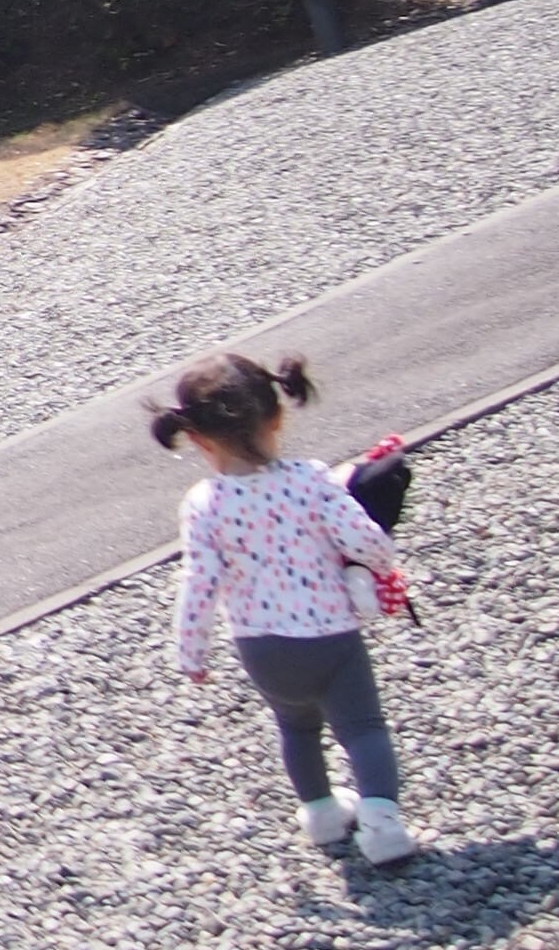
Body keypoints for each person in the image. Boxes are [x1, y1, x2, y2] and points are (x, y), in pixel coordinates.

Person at [153, 351, 420, 868]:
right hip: (331, 637)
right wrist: (381, 562)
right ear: (277, 417)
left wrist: (192, 652)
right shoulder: (310, 481)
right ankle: (382, 827)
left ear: (198, 441)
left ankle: (320, 814)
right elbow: (363, 538)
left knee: (295, 727)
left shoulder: (203, 504)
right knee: (362, 728)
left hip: (261, 646)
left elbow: (200, 583)